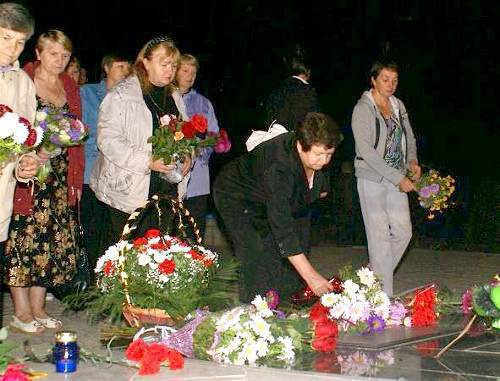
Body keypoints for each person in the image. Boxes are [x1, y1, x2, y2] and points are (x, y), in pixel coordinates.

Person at [214, 112, 343, 302]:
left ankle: (289, 301)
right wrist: (311, 276)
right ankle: (257, 309)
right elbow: (282, 226)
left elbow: (300, 221)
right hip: (235, 195)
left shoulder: (314, 158)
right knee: (255, 251)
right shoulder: (278, 166)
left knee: (289, 249)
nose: (324, 161)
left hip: (267, 195)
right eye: (318, 154)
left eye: (329, 154)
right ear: (300, 146)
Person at [6, 29, 85, 333]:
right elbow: (12, 127)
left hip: (59, 177)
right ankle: (21, 312)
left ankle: (39, 308)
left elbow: (77, 133)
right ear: (38, 54)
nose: (60, 60)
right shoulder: (23, 79)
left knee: (51, 242)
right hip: (28, 175)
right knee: (24, 240)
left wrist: (75, 177)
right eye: (53, 53)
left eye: (65, 55)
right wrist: (33, 152)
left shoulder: (69, 85)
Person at [90, 36, 191, 246]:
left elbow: (185, 132)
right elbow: (108, 140)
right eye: (163, 64)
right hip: (129, 193)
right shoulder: (121, 94)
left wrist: (188, 154)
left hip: (167, 192)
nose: (169, 70)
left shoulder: (174, 95)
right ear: (145, 62)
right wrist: (147, 161)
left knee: (162, 256)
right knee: (126, 259)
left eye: (173, 65)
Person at [351, 60, 421, 296]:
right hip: (372, 179)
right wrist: (397, 178)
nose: (391, 85)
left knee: (404, 233)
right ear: (373, 80)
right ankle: (384, 299)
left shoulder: (398, 105)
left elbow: (409, 138)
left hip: (396, 178)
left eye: (395, 80)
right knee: (379, 239)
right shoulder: (362, 109)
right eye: (385, 79)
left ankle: (370, 280)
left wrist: (412, 162)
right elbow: (366, 151)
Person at [0, 2, 39, 328]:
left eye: (20, 42)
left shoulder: (23, 81)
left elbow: (27, 138)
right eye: (4, 38)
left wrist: (26, 165)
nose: (12, 48)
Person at [80, 53, 130, 273]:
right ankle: (89, 281)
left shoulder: (130, 99)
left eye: (129, 66)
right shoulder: (87, 93)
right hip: (91, 173)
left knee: (113, 233)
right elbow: (77, 131)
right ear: (107, 68)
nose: (126, 71)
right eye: (121, 66)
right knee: (90, 230)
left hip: (119, 177)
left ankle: (108, 283)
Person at [175, 54, 219, 237]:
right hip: (170, 174)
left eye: (193, 72)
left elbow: (214, 135)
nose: (190, 75)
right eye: (185, 70)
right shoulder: (164, 97)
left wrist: (201, 151)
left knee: (195, 230)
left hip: (197, 178)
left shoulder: (203, 102)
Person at [265, 44, 321, 130]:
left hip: (277, 142)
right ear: (308, 70)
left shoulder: (275, 93)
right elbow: (312, 130)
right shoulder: (306, 92)